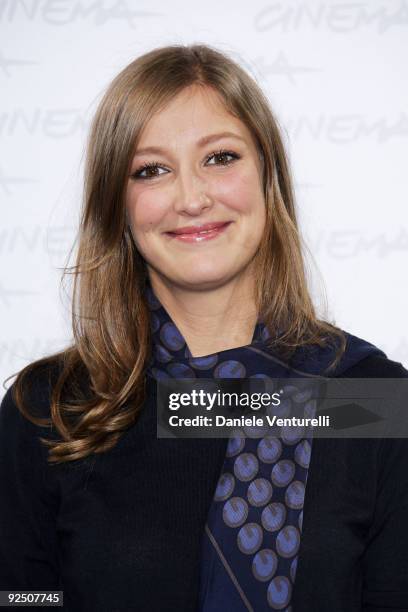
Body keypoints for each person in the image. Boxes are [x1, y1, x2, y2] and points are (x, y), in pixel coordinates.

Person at [0, 43, 407, 612]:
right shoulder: (51, 408)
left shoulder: (375, 401)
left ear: (268, 176)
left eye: (219, 157)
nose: (191, 197)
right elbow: (21, 596)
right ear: (118, 206)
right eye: (152, 170)